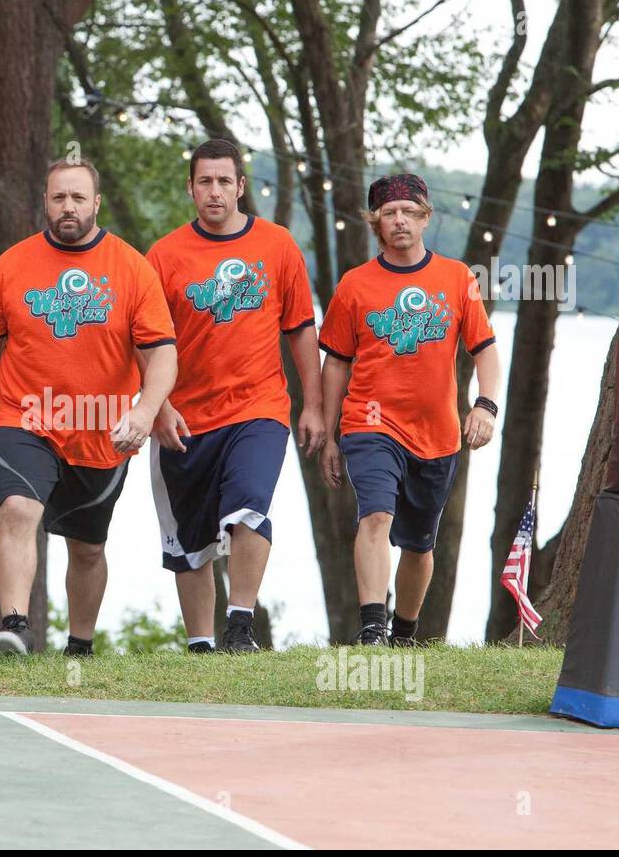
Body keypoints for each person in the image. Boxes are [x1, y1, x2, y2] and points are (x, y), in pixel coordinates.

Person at [0, 157, 177, 656]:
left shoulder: (132, 268)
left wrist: (145, 411)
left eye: (78, 197)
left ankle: (80, 646)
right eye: (59, 198)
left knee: (88, 547)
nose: (68, 207)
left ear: (96, 203)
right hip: (25, 417)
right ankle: (15, 626)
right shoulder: (12, 265)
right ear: (46, 203)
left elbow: (161, 350)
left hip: (101, 427)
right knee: (17, 509)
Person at [146, 138, 324, 653]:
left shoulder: (277, 246)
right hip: (184, 418)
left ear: (241, 187)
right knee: (190, 547)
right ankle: (201, 647)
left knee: (249, 506)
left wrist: (312, 405)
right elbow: (144, 342)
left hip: (259, 408)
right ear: (191, 188)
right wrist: (157, 406)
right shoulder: (164, 256)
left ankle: (240, 625)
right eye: (205, 181)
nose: (215, 192)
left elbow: (300, 330)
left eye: (225, 181)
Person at [317, 173, 501, 646]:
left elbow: (484, 349)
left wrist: (485, 405)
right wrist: (330, 431)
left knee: (419, 544)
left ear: (425, 218)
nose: (399, 221)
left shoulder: (457, 278)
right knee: (375, 516)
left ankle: (404, 632)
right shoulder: (355, 285)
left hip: (438, 433)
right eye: (389, 214)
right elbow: (335, 363)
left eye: (409, 212)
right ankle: (373, 627)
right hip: (370, 423)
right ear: (375, 222)